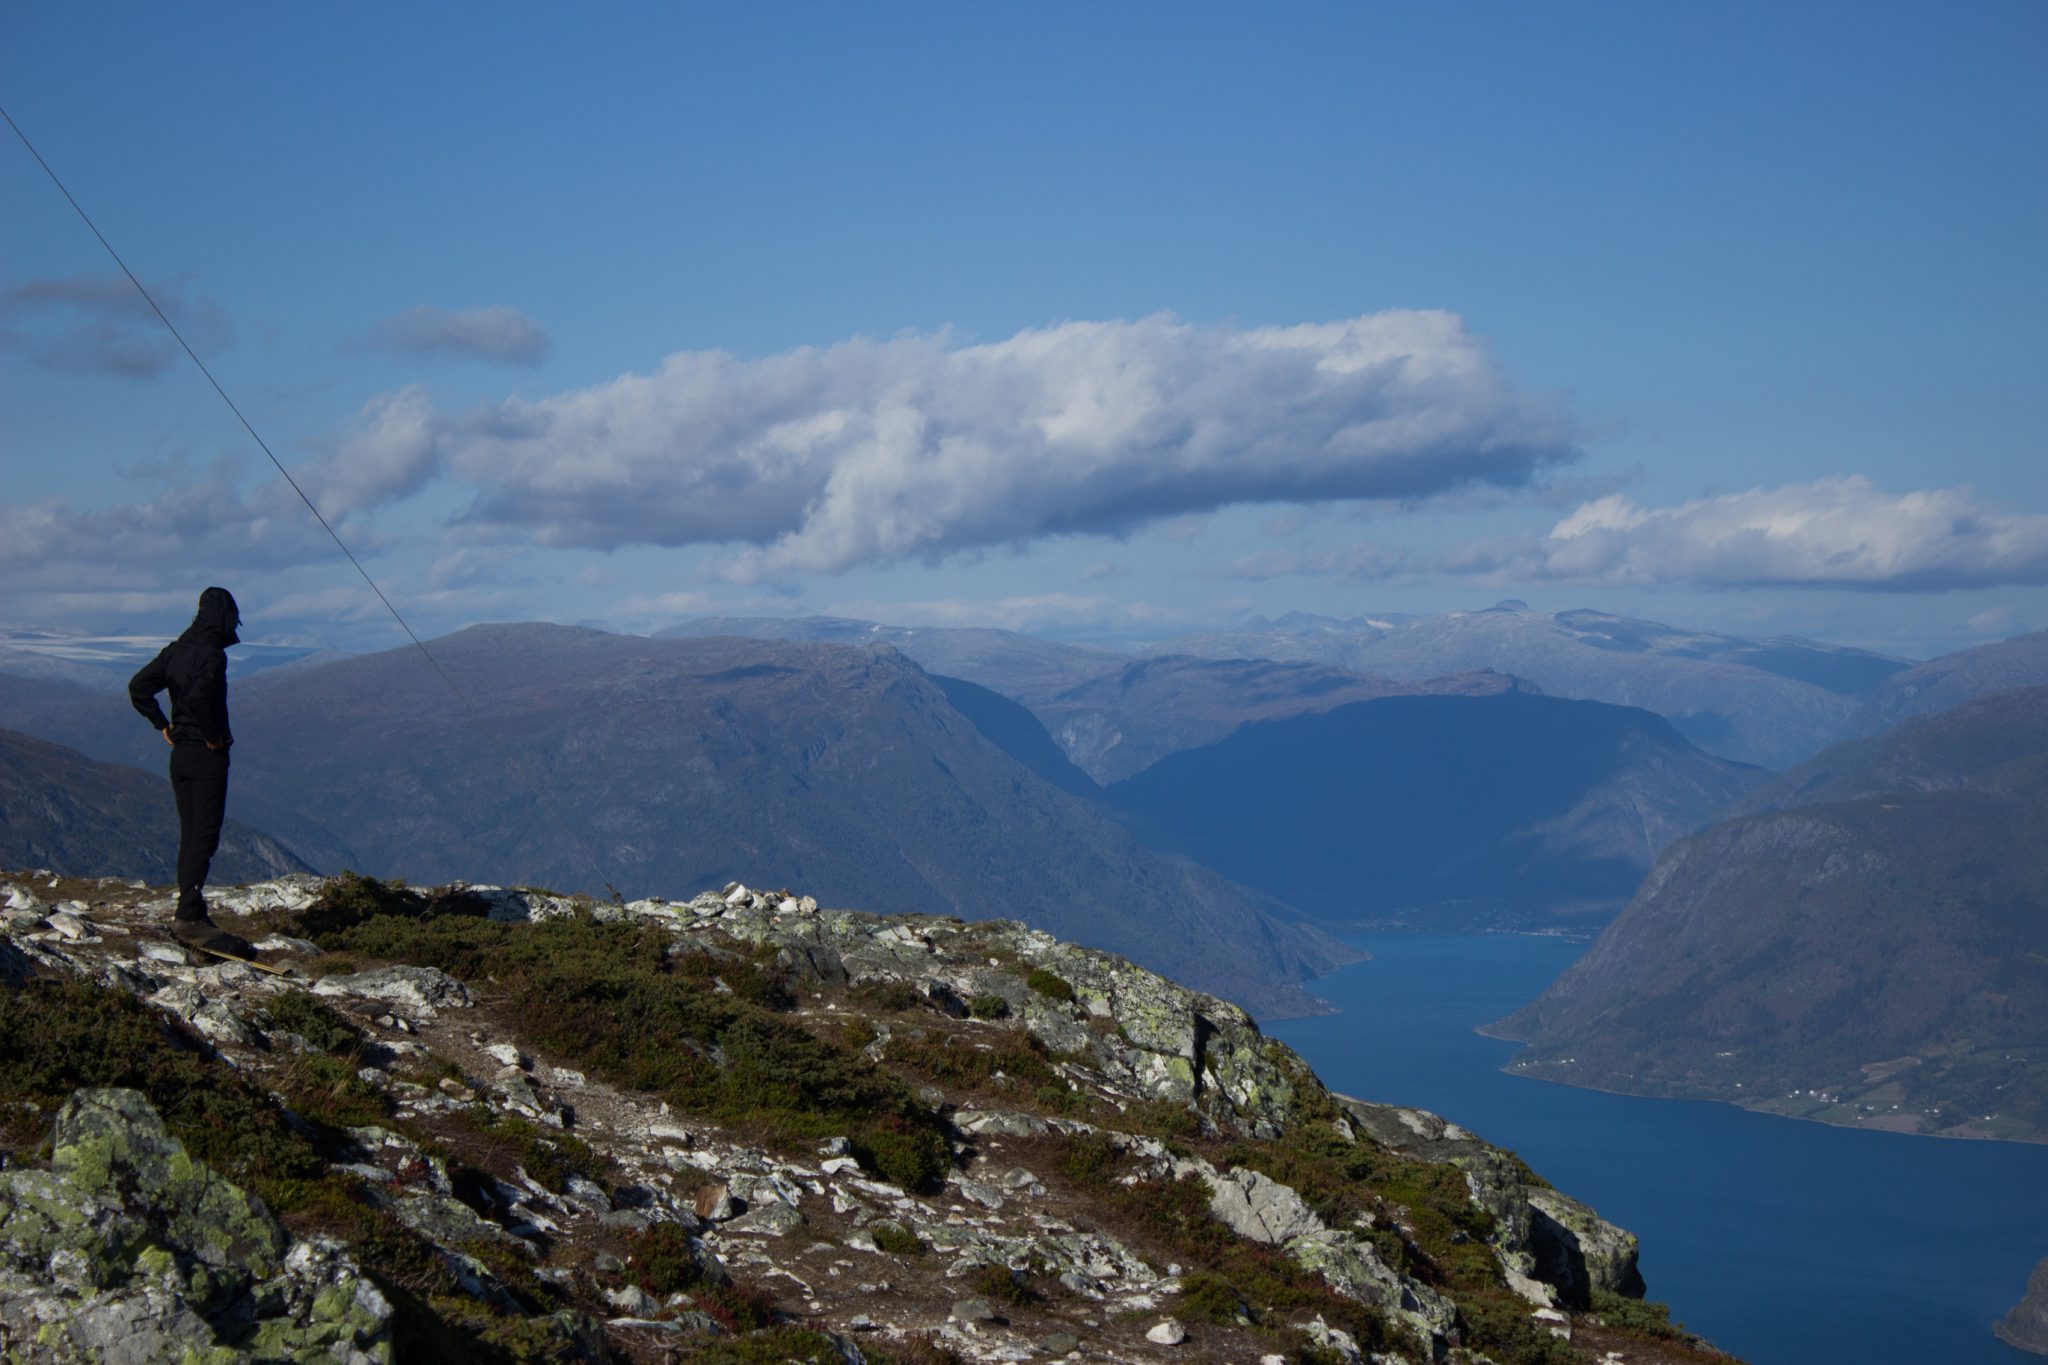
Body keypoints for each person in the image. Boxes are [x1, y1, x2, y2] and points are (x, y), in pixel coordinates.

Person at [128, 586, 243, 943]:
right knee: (204, 836)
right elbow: (203, 695)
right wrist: (210, 734)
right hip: (208, 754)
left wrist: (162, 724)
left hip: (180, 754)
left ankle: (190, 906)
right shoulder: (212, 655)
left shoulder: (175, 652)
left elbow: (138, 687)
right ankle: (189, 914)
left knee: (190, 832)